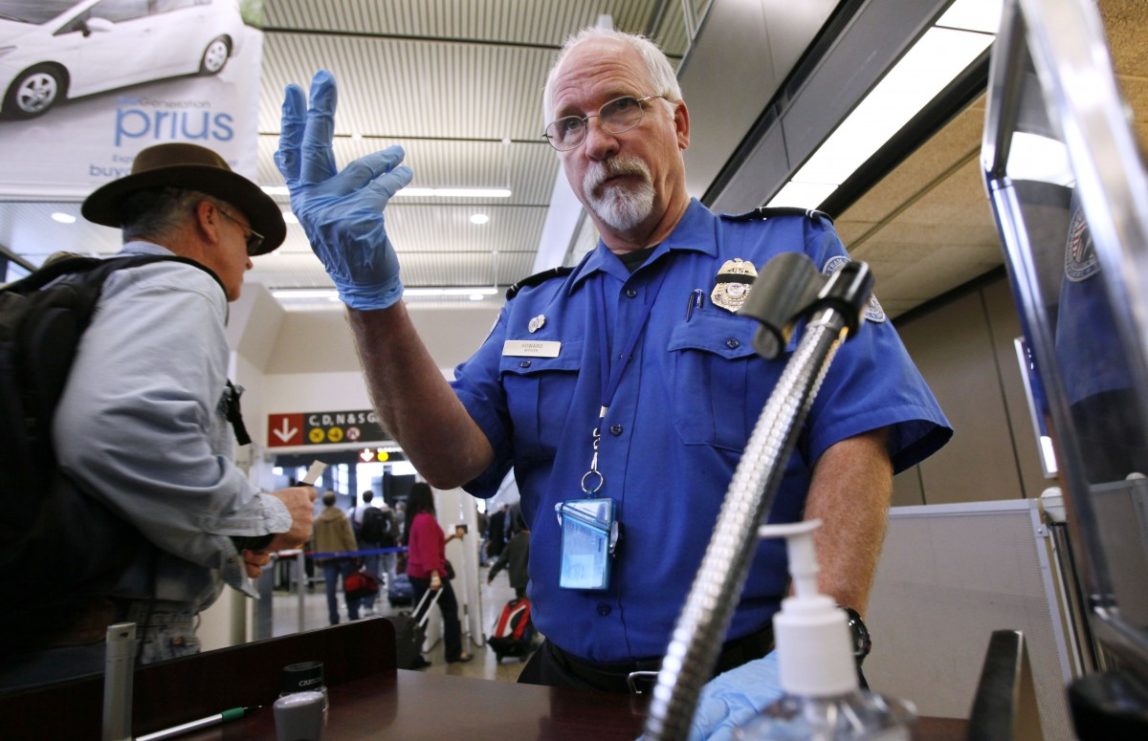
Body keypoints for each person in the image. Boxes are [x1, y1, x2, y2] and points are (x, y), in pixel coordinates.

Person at [276, 27, 950, 704]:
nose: (596, 141)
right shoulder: (533, 312)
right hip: (570, 692)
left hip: (753, 686)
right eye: (570, 126)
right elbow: (453, 459)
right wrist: (372, 302)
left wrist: (821, 644)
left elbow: (858, 429)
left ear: (678, 123)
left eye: (621, 107)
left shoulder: (790, 253)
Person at [0, 143, 316, 689]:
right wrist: (266, 514)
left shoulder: (91, 288)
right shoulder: (181, 283)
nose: (250, 258)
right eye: (250, 236)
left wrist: (234, 540)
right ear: (209, 218)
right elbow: (120, 430)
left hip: (41, 623)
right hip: (119, 636)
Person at [404, 483, 472, 664]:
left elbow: (433, 544)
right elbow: (429, 552)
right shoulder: (425, 520)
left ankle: (412, 655)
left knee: (420, 616)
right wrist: (435, 575)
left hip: (418, 574)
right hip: (429, 576)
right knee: (450, 611)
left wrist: (451, 537)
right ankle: (454, 653)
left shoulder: (416, 519)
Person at [312, 490, 361, 625]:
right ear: (335, 501)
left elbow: (313, 541)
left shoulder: (316, 521)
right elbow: (348, 538)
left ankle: (333, 618)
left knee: (330, 591)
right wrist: (354, 554)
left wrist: (316, 557)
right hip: (344, 558)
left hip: (327, 559)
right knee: (349, 587)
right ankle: (353, 615)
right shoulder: (342, 518)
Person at [488, 506, 530, 600]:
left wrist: (492, 574)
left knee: (521, 604)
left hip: (517, 581)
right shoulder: (534, 540)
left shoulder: (513, 541)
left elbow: (502, 560)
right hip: (530, 581)